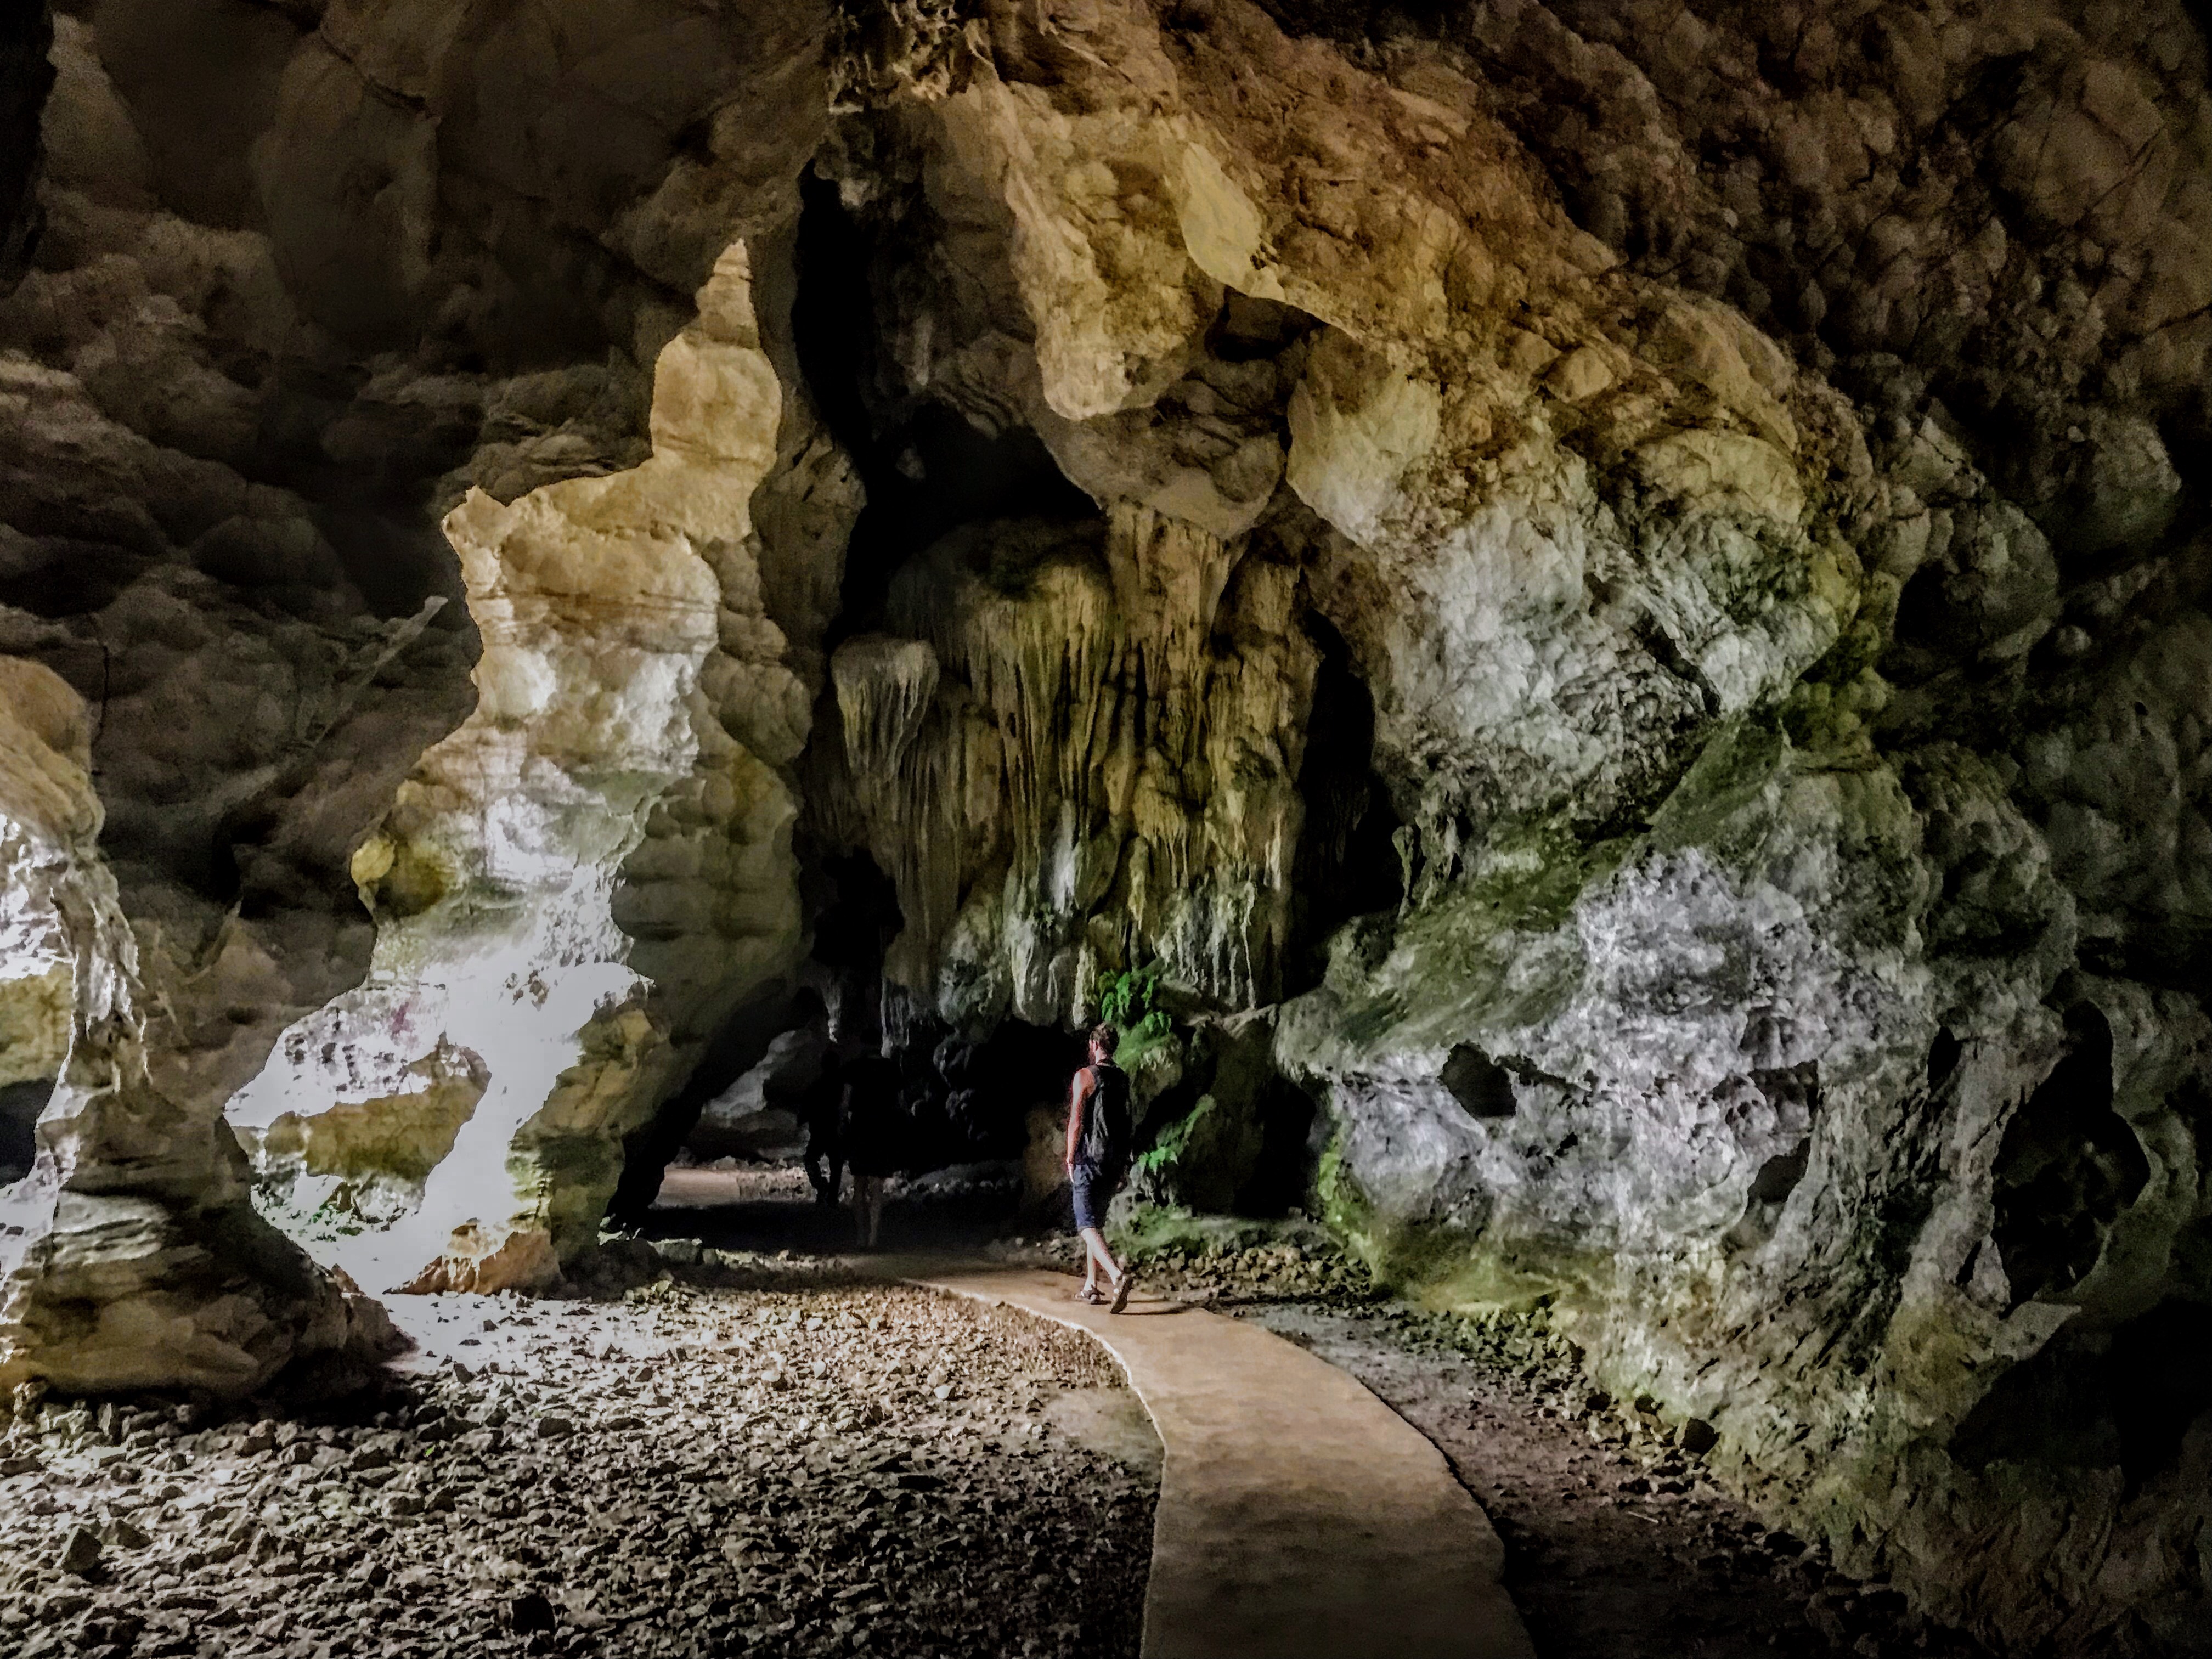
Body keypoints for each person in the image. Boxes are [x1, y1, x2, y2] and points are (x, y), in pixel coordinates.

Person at [1063, 1022, 1137, 1312]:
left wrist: (1070, 1157)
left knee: (1085, 1224)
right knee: (1096, 1222)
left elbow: (1076, 1122)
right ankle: (1091, 1286)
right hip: (1114, 1160)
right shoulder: (1122, 1078)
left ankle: (1117, 1277)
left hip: (1089, 1159)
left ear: (1094, 1045)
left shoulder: (1084, 1076)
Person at [840, 1050, 906, 1249]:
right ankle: (873, 1237)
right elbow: (901, 1101)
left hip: (860, 1130)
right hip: (883, 1131)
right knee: (877, 1186)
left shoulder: (853, 1067)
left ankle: (861, 1235)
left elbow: (845, 1101)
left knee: (859, 1185)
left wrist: (842, 1124)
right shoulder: (892, 1068)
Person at [799, 1049, 845, 1207]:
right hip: (834, 1129)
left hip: (820, 1130)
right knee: (836, 1163)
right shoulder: (841, 1086)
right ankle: (832, 1195)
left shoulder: (816, 1085)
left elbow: (806, 1107)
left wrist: (802, 1119)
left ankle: (823, 1187)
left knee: (811, 1159)